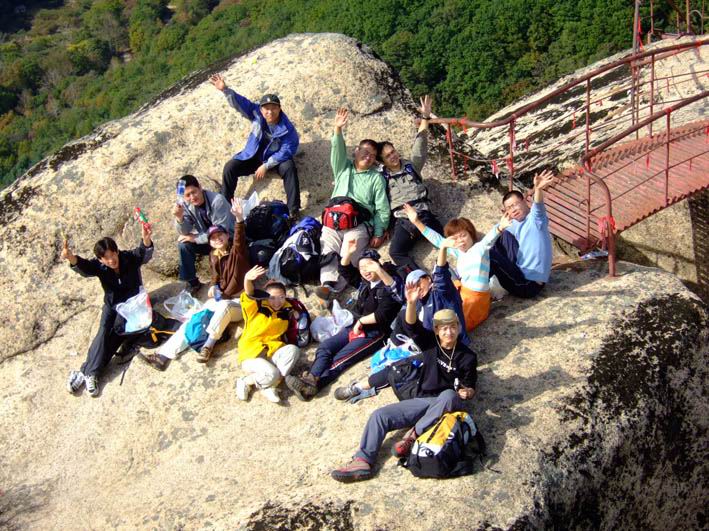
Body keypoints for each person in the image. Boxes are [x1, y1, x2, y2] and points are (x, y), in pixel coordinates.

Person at [330, 308, 477, 483]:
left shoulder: (468, 357)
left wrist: (467, 392)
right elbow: (411, 324)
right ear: (436, 330)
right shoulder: (430, 343)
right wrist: (412, 302)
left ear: (459, 327)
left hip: (444, 405)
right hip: (421, 399)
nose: (449, 332)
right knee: (380, 415)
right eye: (444, 328)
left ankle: (412, 436)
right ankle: (362, 461)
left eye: (453, 327)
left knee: (450, 395)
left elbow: (470, 386)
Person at [333, 241, 469, 401]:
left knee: (400, 367)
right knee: (403, 316)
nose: (417, 288)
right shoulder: (418, 301)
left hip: (445, 347)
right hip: (425, 342)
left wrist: (443, 247)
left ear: (428, 279)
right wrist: (410, 301)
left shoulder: (441, 294)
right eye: (412, 286)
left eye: (419, 283)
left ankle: (358, 387)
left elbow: (441, 272)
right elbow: (395, 289)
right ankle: (389, 359)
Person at [286, 244, 402, 401]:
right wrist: (348, 253)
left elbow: (382, 315)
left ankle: (310, 389)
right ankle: (311, 379)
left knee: (338, 361)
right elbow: (345, 271)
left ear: (378, 265)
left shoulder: (388, 287)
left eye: (369, 266)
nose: (365, 271)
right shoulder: (366, 283)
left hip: (374, 334)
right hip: (355, 326)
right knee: (325, 347)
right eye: (362, 267)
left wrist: (361, 321)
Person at [64, 223, 154, 397]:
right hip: (112, 304)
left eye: (113, 255)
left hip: (132, 305)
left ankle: (86, 372)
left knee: (116, 334)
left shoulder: (128, 258)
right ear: (100, 260)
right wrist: (71, 257)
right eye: (106, 258)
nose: (111, 260)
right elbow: (84, 267)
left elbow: (144, 253)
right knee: (103, 331)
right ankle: (89, 373)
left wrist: (146, 239)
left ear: (117, 251)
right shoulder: (100, 267)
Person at [317, 107, 390, 298]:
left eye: (373, 155)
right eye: (365, 151)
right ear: (356, 151)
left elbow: (382, 208)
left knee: (349, 251)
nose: (368, 156)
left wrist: (379, 231)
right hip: (334, 218)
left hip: (359, 222)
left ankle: (338, 285)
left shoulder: (376, 178)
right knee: (328, 247)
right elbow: (337, 151)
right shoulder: (343, 168)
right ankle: (326, 284)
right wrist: (338, 129)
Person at [405, 203, 512, 331]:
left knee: (452, 326)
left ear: (471, 234)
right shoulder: (459, 253)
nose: (460, 240)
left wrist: (500, 227)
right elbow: (438, 240)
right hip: (463, 294)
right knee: (441, 268)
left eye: (463, 235)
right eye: (455, 238)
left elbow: (489, 238)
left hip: (475, 299)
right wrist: (416, 222)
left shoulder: (479, 248)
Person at [209, 73, 301, 217]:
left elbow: (287, 151)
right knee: (230, 167)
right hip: (253, 157)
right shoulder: (256, 114)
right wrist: (225, 90)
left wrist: (266, 166)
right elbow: (241, 103)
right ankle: (226, 207)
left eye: (273, 108)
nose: (270, 112)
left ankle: (292, 211)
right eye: (266, 108)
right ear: (261, 109)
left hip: (275, 161)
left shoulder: (287, 128)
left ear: (279, 108)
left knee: (289, 167)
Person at [377, 95, 444, 275]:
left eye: (393, 151)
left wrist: (425, 117)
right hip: (404, 220)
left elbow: (419, 144)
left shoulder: (410, 166)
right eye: (388, 156)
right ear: (382, 161)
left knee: (447, 242)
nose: (393, 156)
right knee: (396, 253)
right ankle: (422, 280)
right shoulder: (381, 178)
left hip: (423, 214)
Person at [234, 265, 300, 404]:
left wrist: (296, 313)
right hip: (252, 354)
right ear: (266, 297)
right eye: (273, 298)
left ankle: (270, 385)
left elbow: (295, 312)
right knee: (273, 373)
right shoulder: (256, 307)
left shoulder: (286, 310)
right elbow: (249, 294)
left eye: (281, 297)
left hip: (272, 352)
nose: (277, 302)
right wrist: (247, 279)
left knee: (293, 350)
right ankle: (246, 381)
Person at [489, 170, 555, 298]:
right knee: (501, 235)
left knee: (490, 255)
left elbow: (538, 205)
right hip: (518, 272)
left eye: (515, 205)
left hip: (528, 284)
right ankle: (481, 282)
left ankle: (476, 290)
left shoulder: (535, 220)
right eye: (509, 208)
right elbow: (488, 240)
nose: (513, 210)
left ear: (524, 201)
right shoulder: (513, 224)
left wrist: (538, 189)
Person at [173, 174, 235, 295]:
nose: (192, 197)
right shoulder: (186, 205)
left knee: (208, 240)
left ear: (200, 187)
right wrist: (179, 218)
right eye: (187, 195)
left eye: (194, 192)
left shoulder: (217, 201)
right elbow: (184, 231)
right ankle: (192, 283)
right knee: (184, 245)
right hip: (209, 241)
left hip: (227, 240)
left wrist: (196, 238)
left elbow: (221, 230)